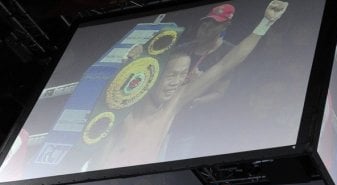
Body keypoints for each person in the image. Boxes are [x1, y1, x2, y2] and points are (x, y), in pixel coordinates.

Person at [87, 0, 289, 169]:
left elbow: (227, 64)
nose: (176, 82)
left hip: (182, 138)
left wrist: (266, 22)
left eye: (182, 75)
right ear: (154, 75)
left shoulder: (174, 102)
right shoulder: (123, 107)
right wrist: (131, 58)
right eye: (172, 75)